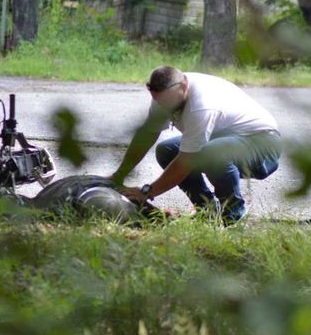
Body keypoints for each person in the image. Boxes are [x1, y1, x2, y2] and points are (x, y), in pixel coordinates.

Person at [110, 66, 282, 223]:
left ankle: (234, 217)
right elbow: (147, 134)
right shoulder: (163, 96)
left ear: (184, 85)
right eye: (159, 101)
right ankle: (207, 210)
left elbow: (185, 162)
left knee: (210, 153)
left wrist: (146, 192)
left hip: (262, 146)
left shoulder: (201, 106)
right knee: (166, 150)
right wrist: (119, 174)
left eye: (168, 102)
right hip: (225, 139)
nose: (164, 107)